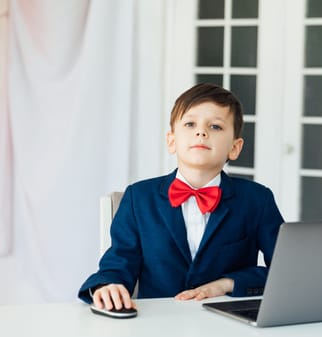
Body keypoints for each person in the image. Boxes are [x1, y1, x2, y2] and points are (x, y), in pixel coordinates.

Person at [78, 83, 284, 311]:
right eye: (190, 124)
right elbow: (119, 262)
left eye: (215, 126)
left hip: (228, 324)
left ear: (235, 148)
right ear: (172, 141)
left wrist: (227, 284)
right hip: (157, 325)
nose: (201, 132)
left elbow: (286, 271)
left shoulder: (257, 200)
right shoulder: (139, 198)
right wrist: (108, 285)